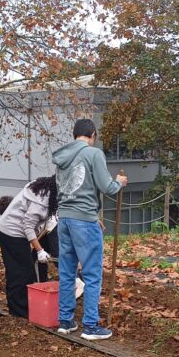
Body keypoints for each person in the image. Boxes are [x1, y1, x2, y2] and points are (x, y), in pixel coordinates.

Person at [52, 118, 127, 340]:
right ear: (93, 134)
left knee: (67, 272)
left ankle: (65, 321)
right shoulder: (93, 154)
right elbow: (107, 187)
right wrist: (119, 182)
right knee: (92, 274)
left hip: (64, 218)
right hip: (84, 219)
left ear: (74, 134)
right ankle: (90, 326)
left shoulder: (62, 157)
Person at [0, 177, 59, 317]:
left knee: (20, 270)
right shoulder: (42, 199)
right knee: (22, 272)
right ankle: (19, 311)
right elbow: (28, 226)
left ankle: (20, 308)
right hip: (11, 232)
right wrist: (40, 250)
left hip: (13, 229)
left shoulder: (45, 189)